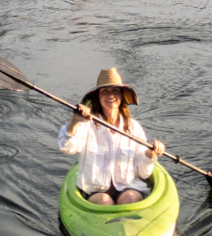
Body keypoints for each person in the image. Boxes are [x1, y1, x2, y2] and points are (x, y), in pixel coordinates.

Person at [58, 68, 165, 205]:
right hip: (95, 192)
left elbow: (144, 173)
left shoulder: (134, 128)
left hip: (128, 187)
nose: (110, 95)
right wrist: (74, 121)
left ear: (121, 96)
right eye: (105, 91)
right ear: (98, 97)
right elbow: (66, 148)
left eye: (115, 91)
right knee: (104, 200)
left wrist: (150, 154)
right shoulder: (86, 125)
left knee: (130, 198)